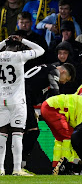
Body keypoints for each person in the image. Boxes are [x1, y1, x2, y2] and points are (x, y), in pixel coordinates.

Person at [0, 35, 44, 176]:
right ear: (18, 47)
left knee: (2, 134)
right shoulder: (19, 56)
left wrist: (3, 42)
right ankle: (17, 169)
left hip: (1, 100)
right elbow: (40, 50)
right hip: (17, 101)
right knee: (17, 133)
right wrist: (23, 40)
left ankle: (0, 168)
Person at [22, 63, 76, 171]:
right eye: (66, 80)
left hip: (19, 96)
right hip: (22, 98)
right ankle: (20, 164)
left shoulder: (44, 69)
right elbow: (55, 93)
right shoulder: (54, 71)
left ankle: (19, 163)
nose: (64, 82)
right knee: (33, 131)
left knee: (20, 131)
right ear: (63, 72)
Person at [41, 94, 82, 167]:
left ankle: (56, 165)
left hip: (48, 106)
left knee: (60, 139)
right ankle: (69, 164)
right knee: (70, 137)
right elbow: (80, 133)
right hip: (52, 108)